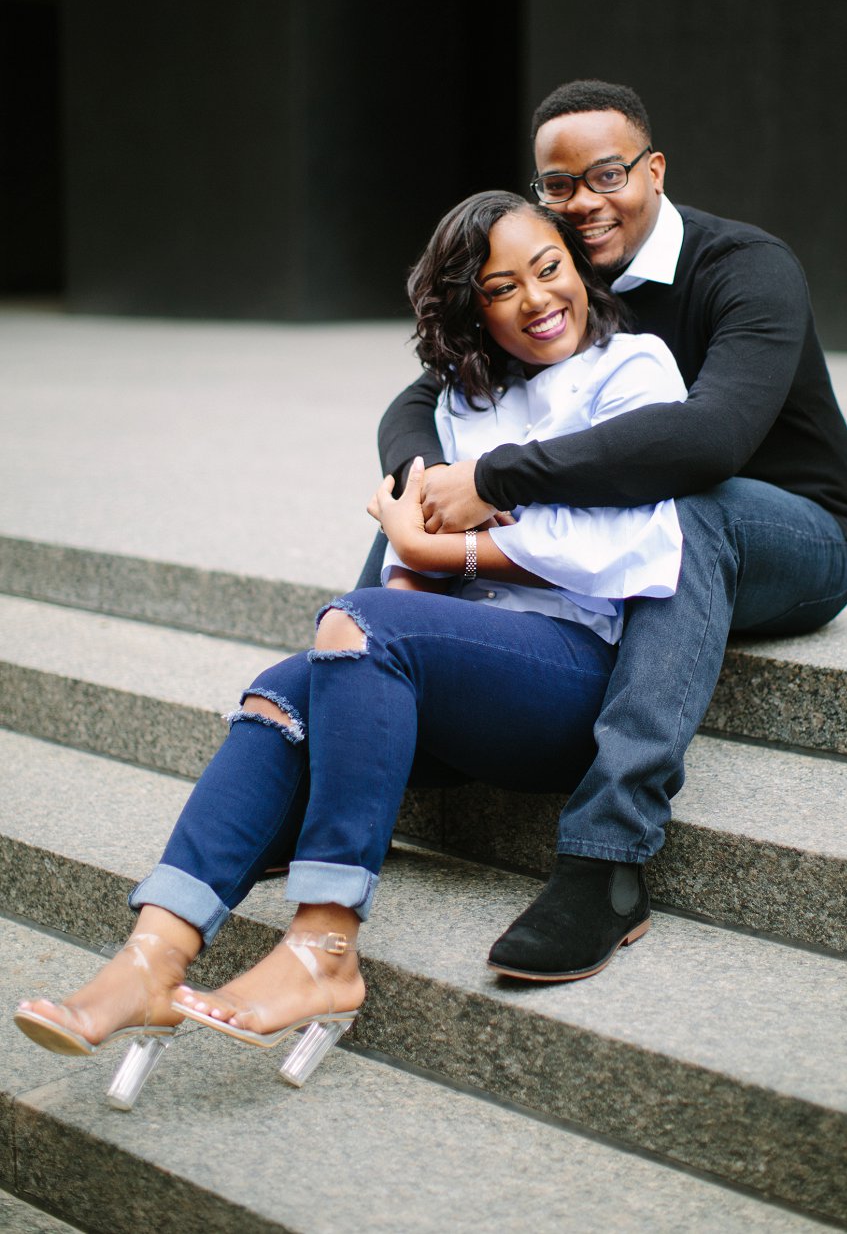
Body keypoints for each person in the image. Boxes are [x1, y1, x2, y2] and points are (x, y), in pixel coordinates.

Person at [12, 192, 689, 1105]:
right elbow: (418, 570)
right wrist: (416, 573)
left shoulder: (636, 370)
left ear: (578, 265)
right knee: (280, 691)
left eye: (549, 268)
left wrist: (436, 549)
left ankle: (324, 948)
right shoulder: (464, 402)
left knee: (362, 625)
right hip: (456, 667)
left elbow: (634, 551)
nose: (536, 298)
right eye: (501, 287)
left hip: (567, 675)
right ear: (471, 309)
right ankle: (152, 956)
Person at [372, 79, 847, 982]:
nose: (583, 203)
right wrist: (430, 496)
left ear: (655, 169)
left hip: (791, 531)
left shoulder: (748, 268)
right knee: (421, 504)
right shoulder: (565, 266)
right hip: (640, 510)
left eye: (606, 174)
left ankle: (607, 860)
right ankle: (387, 731)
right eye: (557, 186)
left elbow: (709, 445)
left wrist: (493, 480)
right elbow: (423, 399)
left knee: (684, 512)